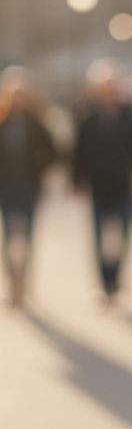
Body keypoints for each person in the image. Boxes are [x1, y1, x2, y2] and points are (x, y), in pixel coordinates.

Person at [72, 59, 132, 304]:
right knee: (98, 238)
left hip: (124, 186)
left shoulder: (130, 117)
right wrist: (76, 181)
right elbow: (79, 152)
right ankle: (104, 284)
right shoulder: (88, 118)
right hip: (98, 186)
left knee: (124, 236)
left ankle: (116, 278)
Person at [0, 66, 56, 308]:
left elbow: (53, 152)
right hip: (6, 188)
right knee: (10, 236)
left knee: (28, 236)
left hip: (30, 187)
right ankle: (12, 282)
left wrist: (39, 165)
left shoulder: (37, 123)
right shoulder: (2, 122)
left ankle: (24, 282)